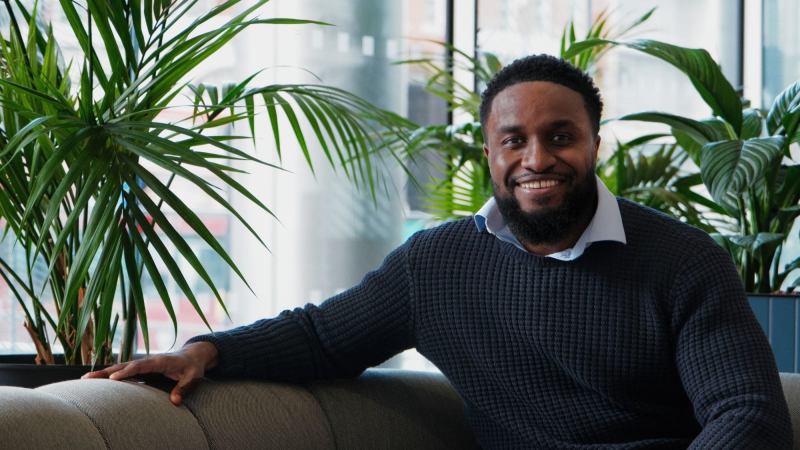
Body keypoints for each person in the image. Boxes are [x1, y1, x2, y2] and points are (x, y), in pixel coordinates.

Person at [85, 54, 792, 448]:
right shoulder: (436, 265)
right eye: (514, 140)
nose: (536, 159)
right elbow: (323, 337)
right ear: (489, 153)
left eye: (560, 136)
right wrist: (205, 352)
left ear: (595, 145)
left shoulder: (682, 261)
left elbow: (746, 413)